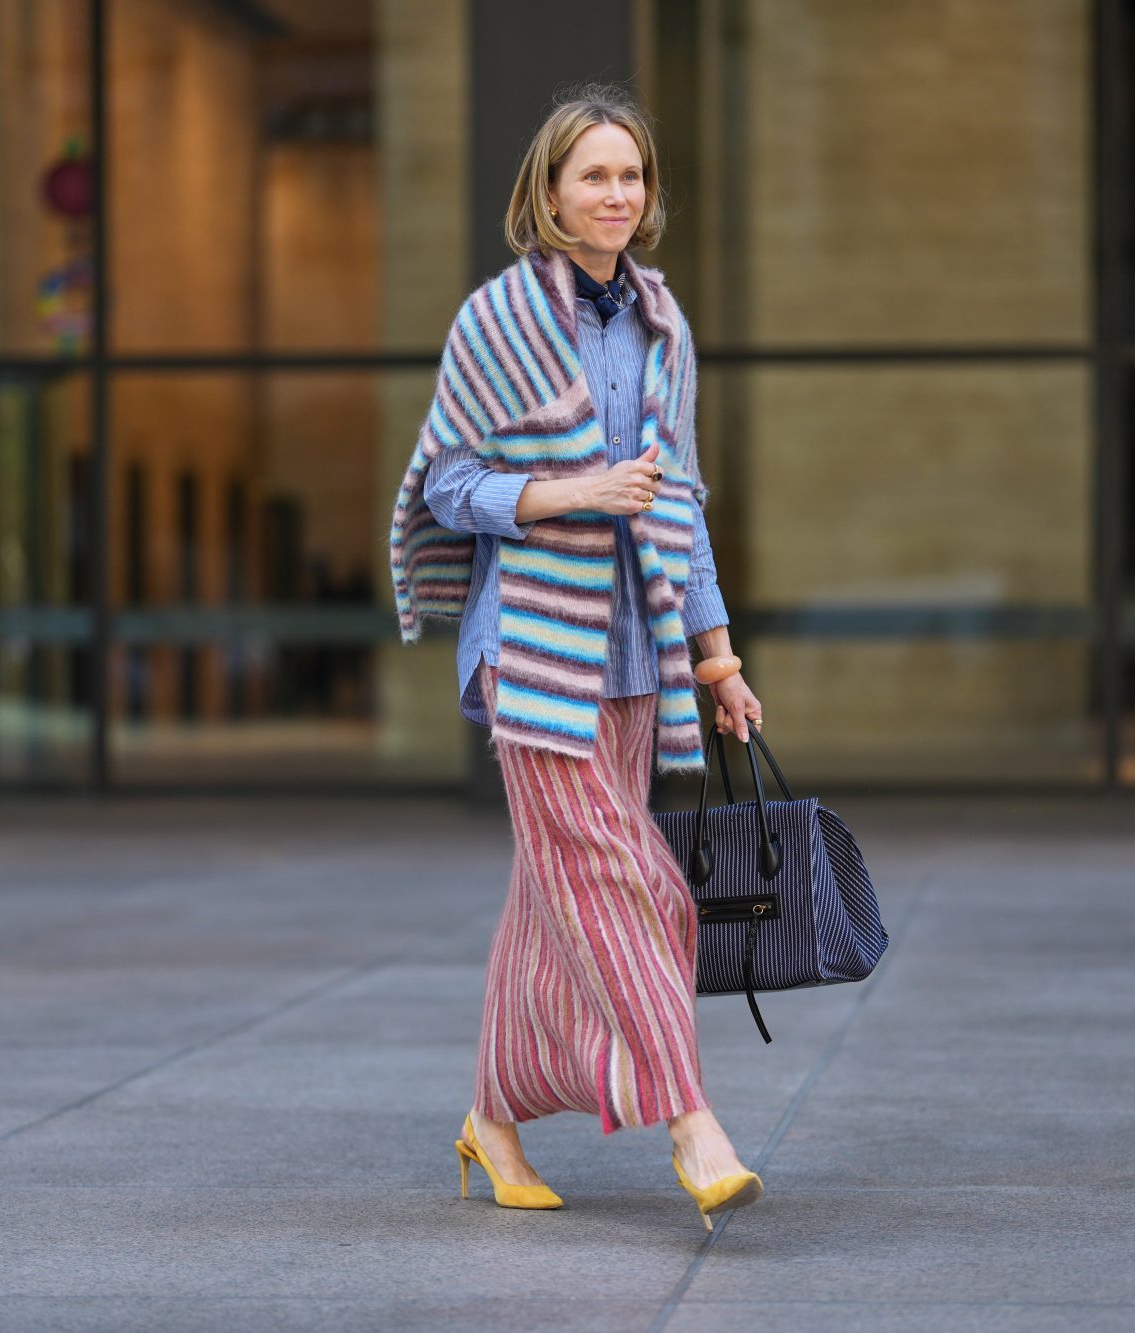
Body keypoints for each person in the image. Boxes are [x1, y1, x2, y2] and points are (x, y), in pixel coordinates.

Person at [385, 84, 766, 1229]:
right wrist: (569, 492)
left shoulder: (662, 325)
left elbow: (681, 501)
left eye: (631, 175)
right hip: (534, 656)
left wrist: (717, 653)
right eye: (592, 174)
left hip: (636, 656)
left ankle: (490, 1119)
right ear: (547, 192)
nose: (615, 193)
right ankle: (689, 1118)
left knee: (549, 901)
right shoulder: (495, 320)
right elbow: (443, 485)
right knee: (627, 882)